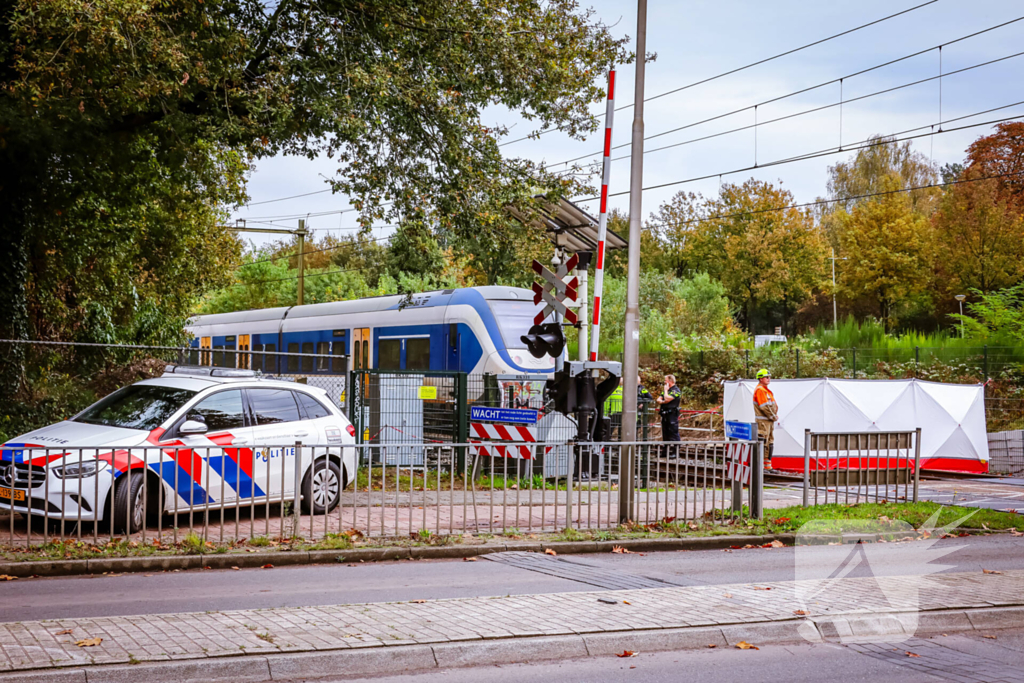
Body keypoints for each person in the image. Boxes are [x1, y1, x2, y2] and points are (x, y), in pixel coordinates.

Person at [752, 369, 778, 469]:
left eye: (769, 377)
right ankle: (760, 466)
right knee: (763, 442)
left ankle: (767, 466)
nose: (768, 379)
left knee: (769, 442)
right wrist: (773, 416)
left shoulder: (765, 390)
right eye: (766, 377)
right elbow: (764, 406)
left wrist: (773, 416)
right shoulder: (760, 390)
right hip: (763, 421)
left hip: (768, 421)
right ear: (760, 378)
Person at [656, 374, 682, 444]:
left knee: (673, 432)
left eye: (665, 380)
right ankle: (666, 450)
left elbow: (667, 398)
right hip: (665, 414)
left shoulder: (676, 390)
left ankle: (675, 451)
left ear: (670, 381)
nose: (664, 382)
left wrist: (665, 391)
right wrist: (664, 401)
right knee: (665, 433)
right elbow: (658, 400)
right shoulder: (667, 391)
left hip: (672, 415)